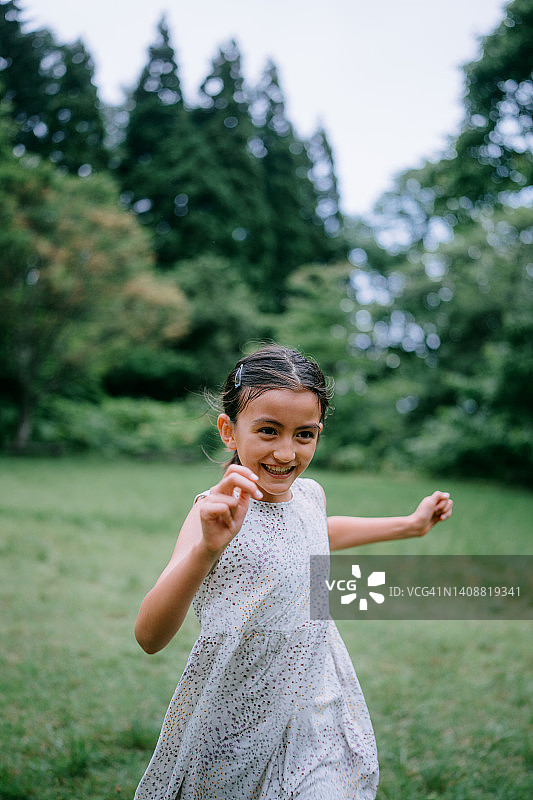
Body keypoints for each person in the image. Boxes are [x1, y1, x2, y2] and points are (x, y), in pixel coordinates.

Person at [133, 344, 453, 799]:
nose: (286, 452)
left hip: (317, 705)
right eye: (268, 430)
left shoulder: (309, 495)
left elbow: (316, 534)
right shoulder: (212, 513)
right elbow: (149, 636)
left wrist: (409, 525)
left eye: (304, 434)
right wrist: (207, 550)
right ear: (229, 430)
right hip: (237, 714)